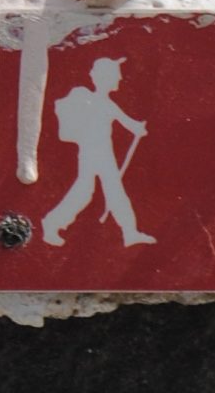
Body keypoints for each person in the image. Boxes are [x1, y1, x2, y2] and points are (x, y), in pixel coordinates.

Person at [39, 51, 153, 247]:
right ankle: (51, 223)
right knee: (89, 191)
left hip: (101, 154)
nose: (120, 78)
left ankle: (129, 232)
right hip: (93, 153)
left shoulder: (107, 104)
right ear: (106, 78)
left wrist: (137, 128)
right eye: (116, 75)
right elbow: (129, 124)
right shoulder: (98, 102)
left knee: (109, 191)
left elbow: (129, 123)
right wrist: (137, 128)